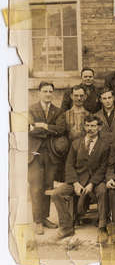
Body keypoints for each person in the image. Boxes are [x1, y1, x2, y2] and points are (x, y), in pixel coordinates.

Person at [51, 115, 110, 241]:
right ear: (84, 126)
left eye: (93, 126)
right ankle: (67, 227)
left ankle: (102, 227)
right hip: (77, 180)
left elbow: (103, 168)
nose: (90, 129)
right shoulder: (76, 143)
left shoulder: (105, 145)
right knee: (57, 194)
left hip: (96, 181)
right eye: (88, 125)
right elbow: (69, 165)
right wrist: (75, 183)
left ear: (99, 128)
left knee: (103, 191)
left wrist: (92, 184)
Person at [28, 81, 66, 235]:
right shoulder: (31, 109)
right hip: (35, 153)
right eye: (45, 91)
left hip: (50, 153)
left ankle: (44, 217)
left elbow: (62, 129)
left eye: (50, 91)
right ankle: (37, 221)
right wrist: (49, 129)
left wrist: (42, 126)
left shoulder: (58, 111)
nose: (48, 94)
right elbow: (29, 130)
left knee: (47, 186)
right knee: (36, 187)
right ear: (39, 93)